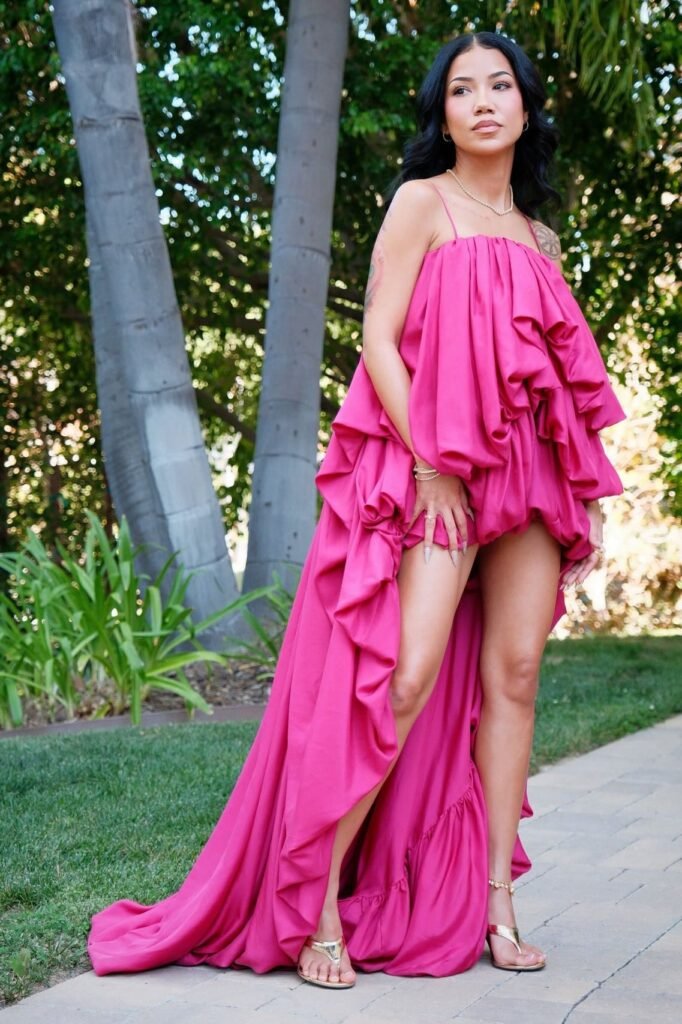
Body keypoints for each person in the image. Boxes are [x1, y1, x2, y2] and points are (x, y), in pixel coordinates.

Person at [87, 32, 625, 989]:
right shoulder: (423, 204)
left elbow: (554, 377)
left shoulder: (540, 240)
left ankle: (499, 905)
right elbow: (380, 338)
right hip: (441, 471)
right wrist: (428, 464)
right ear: (444, 114)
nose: (484, 102)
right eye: (463, 90)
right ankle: (316, 901)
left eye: (501, 85)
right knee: (407, 675)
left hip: (532, 474)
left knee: (516, 674)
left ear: (528, 107)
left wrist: (579, 486)